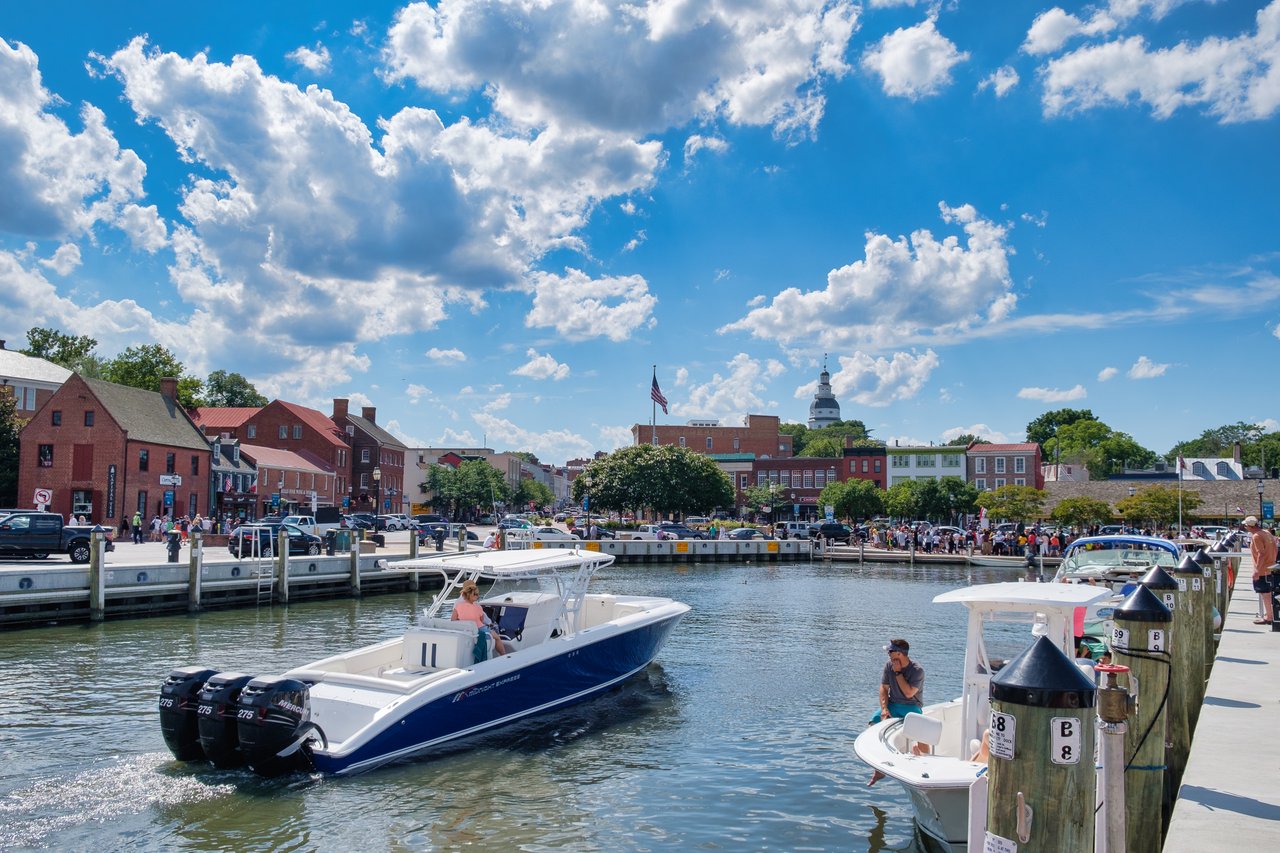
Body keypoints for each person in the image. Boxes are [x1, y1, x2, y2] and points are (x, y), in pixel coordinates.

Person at [867, 638, 925, 785]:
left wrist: (898, 673)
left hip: (912, 706)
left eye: (891, 651)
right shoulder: (888, 666)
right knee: (873, 723)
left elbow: (908, 693)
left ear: (900, 654)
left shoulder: (917, 670)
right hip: (893, 704)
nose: (888, 654)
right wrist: (885, 708)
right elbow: (884, 688)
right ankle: (879, 769)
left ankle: (925, 761)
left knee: (922, 733)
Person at [451, 580, 506, 658]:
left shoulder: (457, 605)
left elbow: (453, 620)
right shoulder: (477, 607)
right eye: (476, 594)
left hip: (466, 632)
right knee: (497, 637)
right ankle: (504, 656)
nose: (477, 596)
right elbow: (482, 620)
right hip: (480, 630)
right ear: (471, 594)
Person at [1243, 516, 1277, 625]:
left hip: (1263, 570)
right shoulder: (1267, 533)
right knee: (1271, 593)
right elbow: (1276, 548)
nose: (1245, 527)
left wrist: (1257, 570)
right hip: (1272, 567)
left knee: (1265, 594)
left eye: (1245, 525)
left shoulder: (1256, 536)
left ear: (1249, 526)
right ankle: (1270, 615)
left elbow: (1260, 554)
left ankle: (1269, 617)